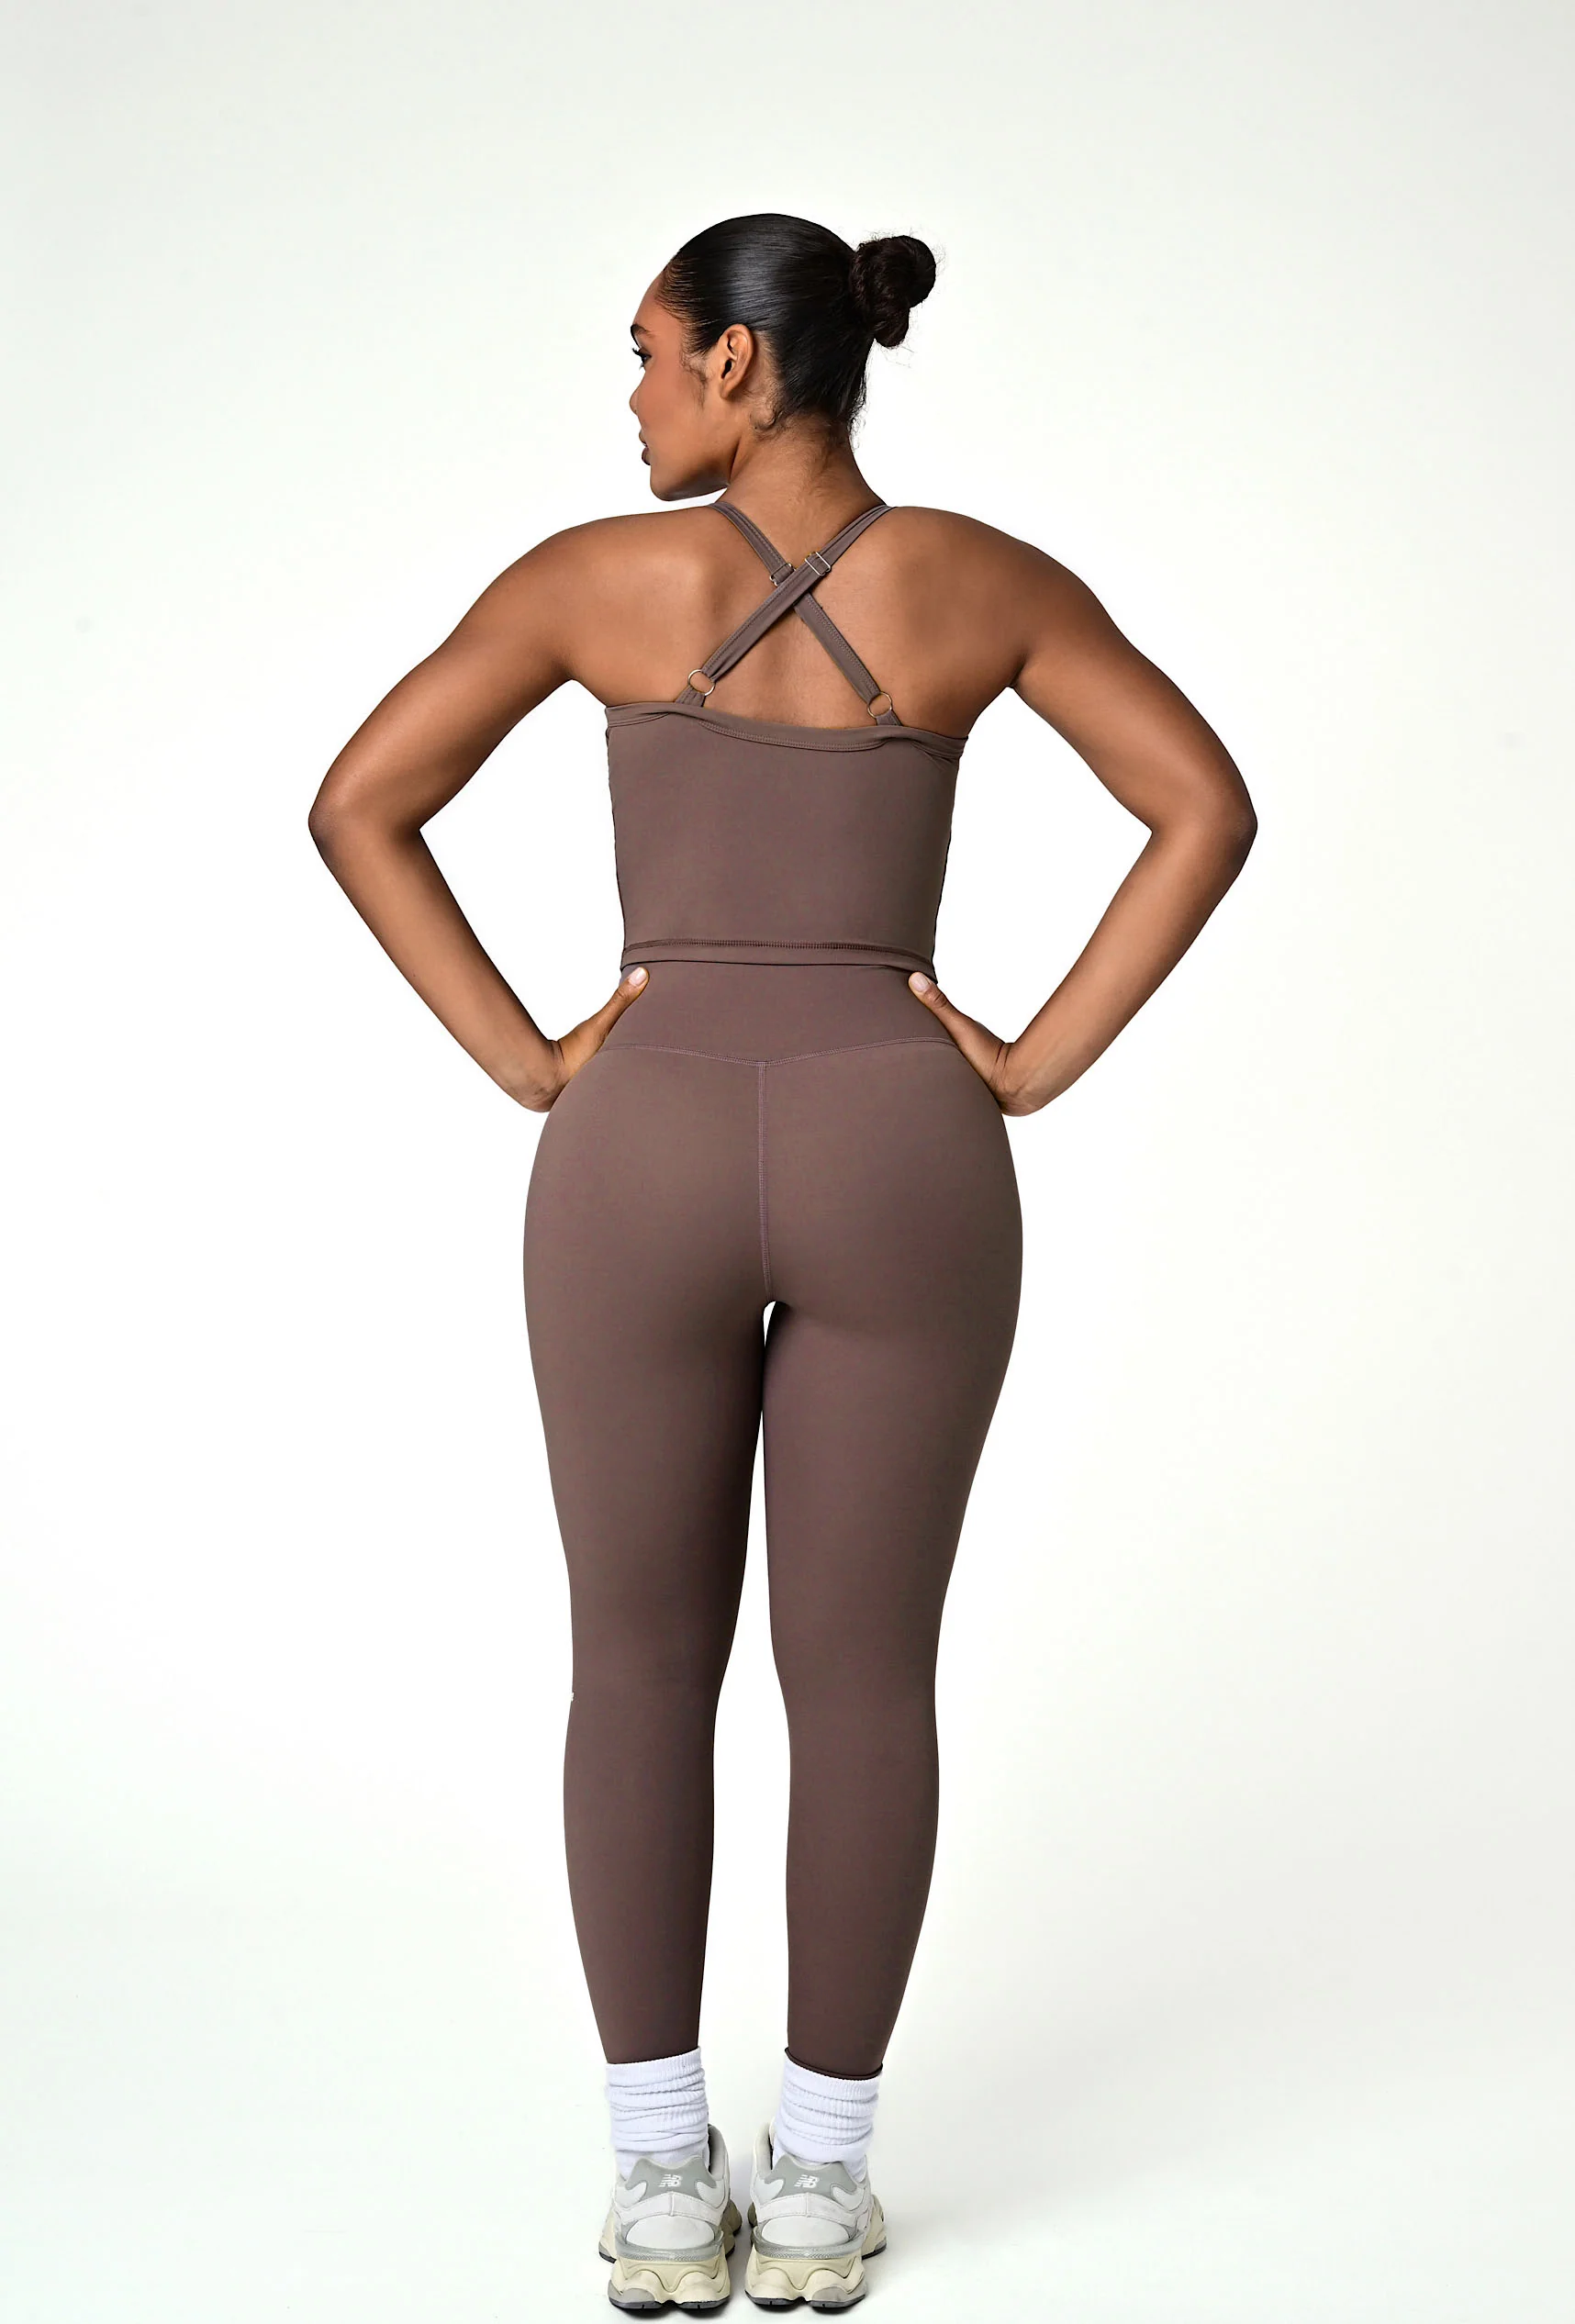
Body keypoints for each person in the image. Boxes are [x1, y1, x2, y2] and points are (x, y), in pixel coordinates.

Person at [308, 211, 1257, 2313]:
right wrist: (1023, 1065)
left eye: (649, 355)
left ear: (740, 365)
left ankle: (666, 2182)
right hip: (903, 1149)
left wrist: (534, 1062)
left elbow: (360, 801)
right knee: (866, 1677)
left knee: (637, 1663)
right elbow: (1202, 803)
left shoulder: (592, 583)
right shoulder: (984, 584)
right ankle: (819, 2184)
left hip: (635, 1149)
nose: (634, 398)